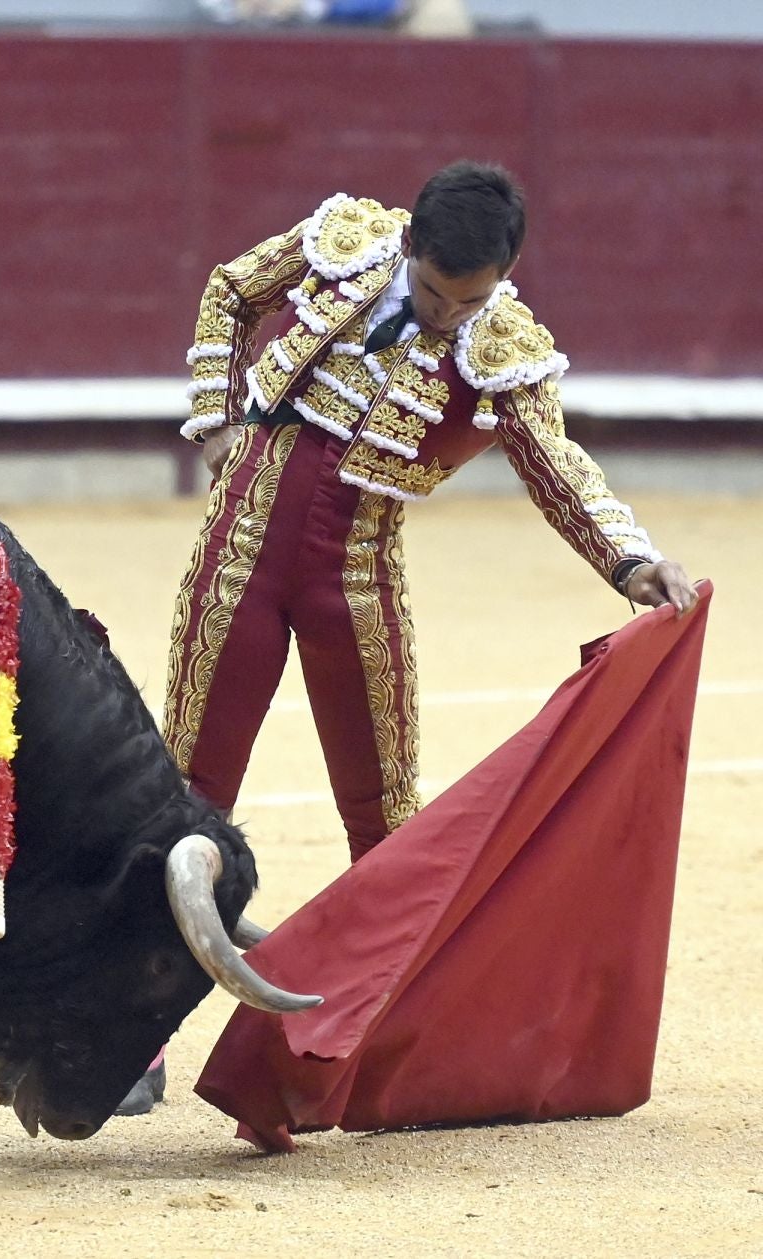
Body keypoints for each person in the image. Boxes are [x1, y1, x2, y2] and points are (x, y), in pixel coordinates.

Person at [116, 161, 698, 1119]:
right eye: (433, 292)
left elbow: (555, 461)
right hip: (242, 551)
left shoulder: (502, 343)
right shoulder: (344, 240)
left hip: (359, 571)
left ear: (504, 276)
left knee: (385, 813)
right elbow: (230, 290)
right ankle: (133, 1030)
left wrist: (632, 560)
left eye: (471, 300)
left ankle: (379, 1035)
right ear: (409, 249)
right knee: (189, 788)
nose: (447, 316)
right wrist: (219, 421)